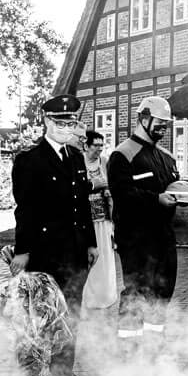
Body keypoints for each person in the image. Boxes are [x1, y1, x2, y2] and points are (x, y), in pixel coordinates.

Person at [10, 96, 97, 376]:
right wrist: (22, 251)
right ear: (46, 121)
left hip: (74, 251)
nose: (65, 128)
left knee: (70, 313)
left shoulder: (75, 157)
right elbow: (25, 209)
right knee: (39, 316)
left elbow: (82, 204)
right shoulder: (29, 159)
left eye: (70, 123)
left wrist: (91, 243)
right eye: (60, 122)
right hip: (44, 252)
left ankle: (62, 375)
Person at [108, 96, 182, 335]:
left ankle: (153, 345)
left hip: (164, 237)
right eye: (159, 122)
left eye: (166, 123)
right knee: (137, 291)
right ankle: (129, 349)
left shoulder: (166, 157)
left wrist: (180, 195)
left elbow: (174, 188)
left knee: (163, 290)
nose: (163, 127)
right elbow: (122, 195)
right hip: (136, 239)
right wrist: (155, 199)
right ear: (143, 118)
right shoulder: (122, 155)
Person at [79, 129, 122, 321]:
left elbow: (110, 183)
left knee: (104, 255)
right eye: (95, 145)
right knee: (86, 255)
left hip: (103, 214)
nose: (98, 149)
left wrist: (106, 189)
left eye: (101, 145)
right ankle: (86, 295)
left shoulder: (104, 162)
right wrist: (95, 184)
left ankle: (104, 295)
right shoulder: (78, 162)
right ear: (86, 146)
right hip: (85, 217)